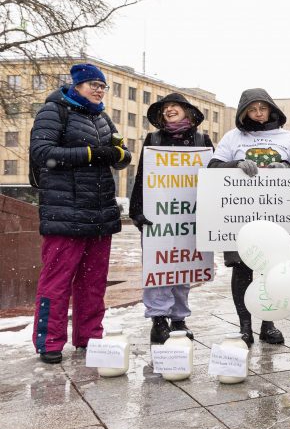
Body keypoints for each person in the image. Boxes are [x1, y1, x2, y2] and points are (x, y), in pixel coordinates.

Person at [29, 63, 131, 364]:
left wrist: (119, 154)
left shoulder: (103, 119)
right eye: (92, 85)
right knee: (56, 281)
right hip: (65, 212)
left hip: (99, 214)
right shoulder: (53, 111)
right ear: (76, 86)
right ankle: (49, 342)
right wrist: (89, 154)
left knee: (94, 282)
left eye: (102, 86)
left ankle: (89, 337)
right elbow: (42, 153)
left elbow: (122, 155)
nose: (99, 90)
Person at [208, 89, 290, 346]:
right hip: (239, 217)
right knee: (242, 270)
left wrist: (286, 167)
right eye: (253, 109)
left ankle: (268, 324)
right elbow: (213, 167)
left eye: (262, 108)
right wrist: (235, 165)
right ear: (244, 112)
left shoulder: (287, 137)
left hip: (277, 216)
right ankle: (244, 326)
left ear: (271, 109)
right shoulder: (233, 138)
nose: (258, 113)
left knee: (271, 271)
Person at [129, 93, 213, 344]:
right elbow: (143, 175)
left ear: (187, 111)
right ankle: (158, 320)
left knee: (183, 266)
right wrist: (137, 210)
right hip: (160, 216)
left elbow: (211, 178)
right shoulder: (153, 139)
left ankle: (178, 318)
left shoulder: (201, 140)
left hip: (188, 215)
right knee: (158, 267)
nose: (169, 110)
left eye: (174, 106)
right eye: (165, 107)